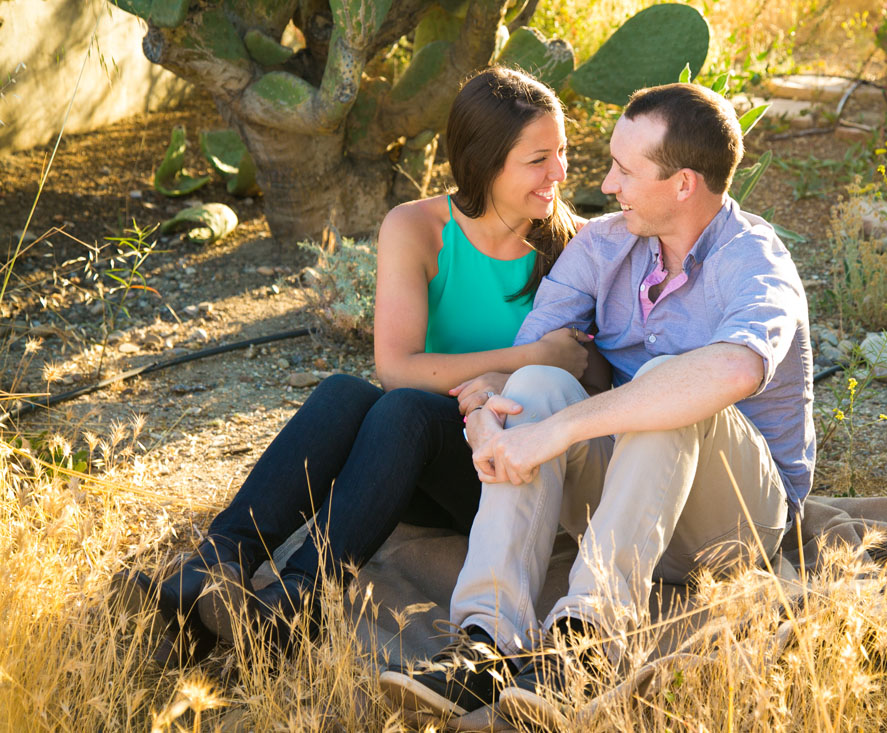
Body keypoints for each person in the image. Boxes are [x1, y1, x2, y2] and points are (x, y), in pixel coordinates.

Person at [110, 67, 599, 666]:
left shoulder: (575, 248)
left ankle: (299, 598)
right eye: (538, 158)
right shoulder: (418, 228)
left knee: (406, 410)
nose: (561, 173)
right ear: (483, 161)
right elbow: (395, 366)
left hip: (503, 476)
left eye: (563, 152)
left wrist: (524, 376)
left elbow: (588, 373)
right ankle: (219, 564)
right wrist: (527, 356)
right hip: (402, 460)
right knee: (346, 393)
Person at [380, 82, 815, 728]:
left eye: (624, 170)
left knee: (671, 385)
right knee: (533, 389)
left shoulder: (753, 260)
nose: (605, 184)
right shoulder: (603, 245)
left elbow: (732, 368)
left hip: (733, 523)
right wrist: (487, 414)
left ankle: (590, 643)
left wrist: (562, 431)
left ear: (684, 184)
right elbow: (524, 361)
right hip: (632, 499)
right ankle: (486, 643)